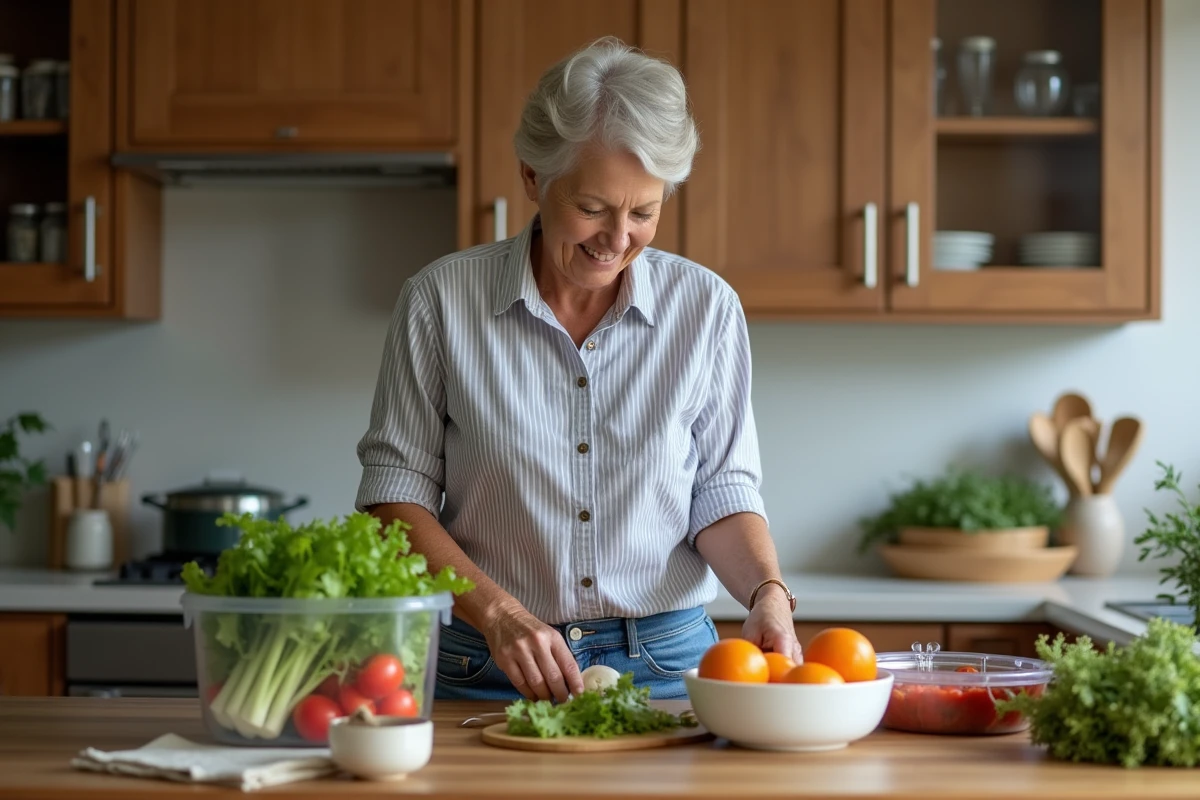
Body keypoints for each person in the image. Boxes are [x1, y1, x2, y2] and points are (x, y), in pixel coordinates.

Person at [355, 36, 801, 703]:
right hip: (490, 664)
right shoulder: (440, 302)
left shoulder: (706, 308)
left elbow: (722, 493)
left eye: (643, 212)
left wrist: (768, 592)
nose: (617, 239)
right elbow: (395, 500)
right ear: (534, 177)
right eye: (592, 208)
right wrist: (500, 617)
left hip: (669, 661)